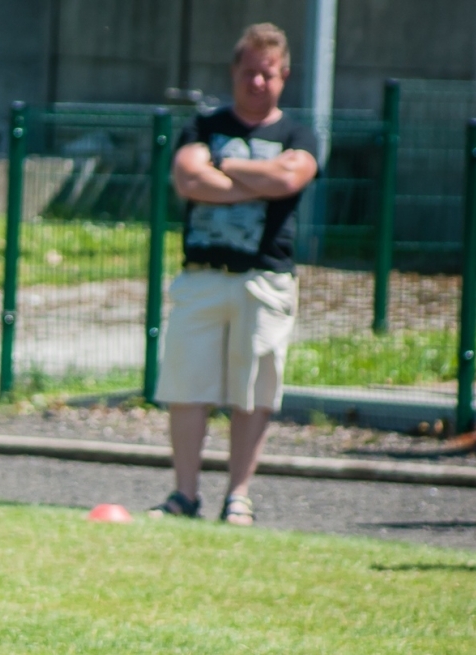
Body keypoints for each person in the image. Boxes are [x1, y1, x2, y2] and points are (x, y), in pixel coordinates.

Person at [151, 22, 317, 526]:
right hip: (203, 274)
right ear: (234, 71)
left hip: (263, 279)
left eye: (267, 75)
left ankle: (238, 496)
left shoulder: (298, 133)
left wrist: (223, 169)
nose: (257, 83)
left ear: (284, 75)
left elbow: (292, 176)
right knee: (188, 387)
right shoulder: (203, 125)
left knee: (254, 391)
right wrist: (258, 181)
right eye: (249, 73)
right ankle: (184, 495)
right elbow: (186, 178)